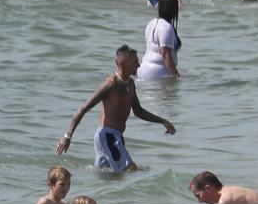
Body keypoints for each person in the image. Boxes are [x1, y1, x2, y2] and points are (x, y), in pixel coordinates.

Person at [58, 44, 174, 172]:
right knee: (131, 170)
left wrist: (163, 121)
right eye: (135, 62)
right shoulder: (111, 84)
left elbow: (139, 111)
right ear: (123, 63)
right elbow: (83, 108)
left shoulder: (130, 84)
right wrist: (67, 136)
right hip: (107, 136)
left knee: (106, 177)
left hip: (116, 137)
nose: (139, 65)